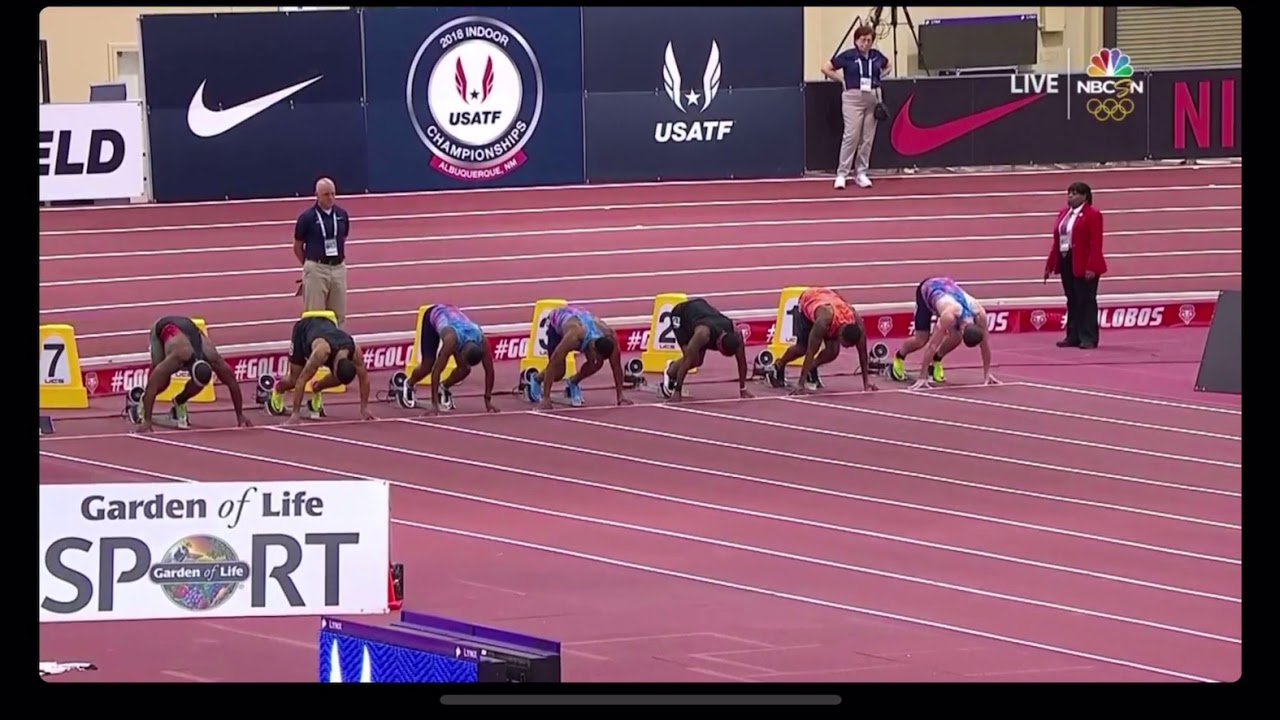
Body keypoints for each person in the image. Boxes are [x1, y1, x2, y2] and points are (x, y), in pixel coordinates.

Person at [137, 315, 250, 432]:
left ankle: (179, 401)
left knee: (199, 383)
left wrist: (240, 415)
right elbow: (152, 385)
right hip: (162, 329)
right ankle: (143, 403)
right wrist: (147, 421)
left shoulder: (213, 357)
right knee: (162, 382)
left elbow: (232, 382)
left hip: (187, 329)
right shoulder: (178, 357)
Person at [889, 277, 998, 389]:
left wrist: (987, 373)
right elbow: (933, 345)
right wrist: (922, 376)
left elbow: (985, 344)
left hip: (947, 290)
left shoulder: (980, 315)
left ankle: (936, 360)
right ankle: (899, 357)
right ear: (963, 329)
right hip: (927, 291)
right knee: (921, 340)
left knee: (956, 338)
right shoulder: (949, 316)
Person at [768, 286, 876, 394]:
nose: (845, 347)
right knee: (803, 348)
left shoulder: (857, 323)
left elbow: (863, 353)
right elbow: (811, 352)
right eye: (845, 345)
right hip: (809, 300)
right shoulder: (824, 321)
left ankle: (812, 368)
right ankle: (779, 365)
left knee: (833, 351)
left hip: (829, 298)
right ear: (840, 335)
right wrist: (800, 384)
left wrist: (866, 382)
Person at [270, 315, 374, 424]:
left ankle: (317, 387)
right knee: (294, 379)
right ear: (334, 368)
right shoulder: (321, 352)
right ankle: (278, 389)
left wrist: (364, 408)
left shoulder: (355, 351)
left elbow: (364, 378)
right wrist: (295, 414)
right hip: (303, 332)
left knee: (339, 379)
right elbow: (301, 381)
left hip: (326, 326)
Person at [822, 25, 890, 190]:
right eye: (862, 40)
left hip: (872, 97)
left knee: (867, 138)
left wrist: (879, 77)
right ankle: (842, 173)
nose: (865, 43)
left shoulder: (875, 56)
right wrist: (842, 81)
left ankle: (861, 172)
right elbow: (826, 68)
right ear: (856, 40)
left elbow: (888, 65)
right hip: (853, 98)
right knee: (851, 136)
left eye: (868, 40)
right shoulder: (848, 55)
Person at [530, 305, 631, 410]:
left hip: (583, 319)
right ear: (593, 348)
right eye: (598, 356)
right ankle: (536, 378)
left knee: (596, 364)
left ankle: (573, 381)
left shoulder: (610, 336)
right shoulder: (574, 336)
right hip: (559, 325)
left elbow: (616, 366)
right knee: (559, 373)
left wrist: (621, 396)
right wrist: (546, 398)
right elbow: (553, 361)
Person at [1045, 181, 1107, 349]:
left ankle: (1088, 337)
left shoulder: (1093, 214)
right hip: (1067, 260)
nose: (1070, 196)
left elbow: (1096, 243)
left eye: (1075, 193)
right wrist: (1051, 263)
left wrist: (1091, 267)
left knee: (1085, 300)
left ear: (1085, 197)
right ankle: (1073, 335)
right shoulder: (1064, 214)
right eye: (1069, 193)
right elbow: (1058, 240)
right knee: (1072, 299)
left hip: (1085, 263)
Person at [407, 304, 497, 415]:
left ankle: (443, 387)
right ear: (462, 352)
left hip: (454, 319)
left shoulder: (482, 341)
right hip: (433, 316)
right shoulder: (451, 341)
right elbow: (436, 371)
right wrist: (434, 405)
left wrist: (488, 399)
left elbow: (490, 370)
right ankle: (408, 384)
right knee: (428, 366)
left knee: (465, 369)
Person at [661, 297, 751, 402]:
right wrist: (677, 391)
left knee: (697, 359)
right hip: (681, 315)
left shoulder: (736, 334)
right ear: (718, 345)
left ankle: (675, 369)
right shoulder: (703, 334)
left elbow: (742, 361)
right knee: (694, 359)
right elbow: (687, 359)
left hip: (702, 312)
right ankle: (671, 371)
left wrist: (743, 388)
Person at [293, 177, 351, 326]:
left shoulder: (342, 215)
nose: (331, 197)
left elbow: (342, 238)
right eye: (326, 194)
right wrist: (309, 265)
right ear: (317, 195)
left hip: (338, 268)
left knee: (339, 315)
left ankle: (337, 346)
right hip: (316, 268)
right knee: (315, 316)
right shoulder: (307, 218)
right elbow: (297, 246)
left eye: (333, 194)